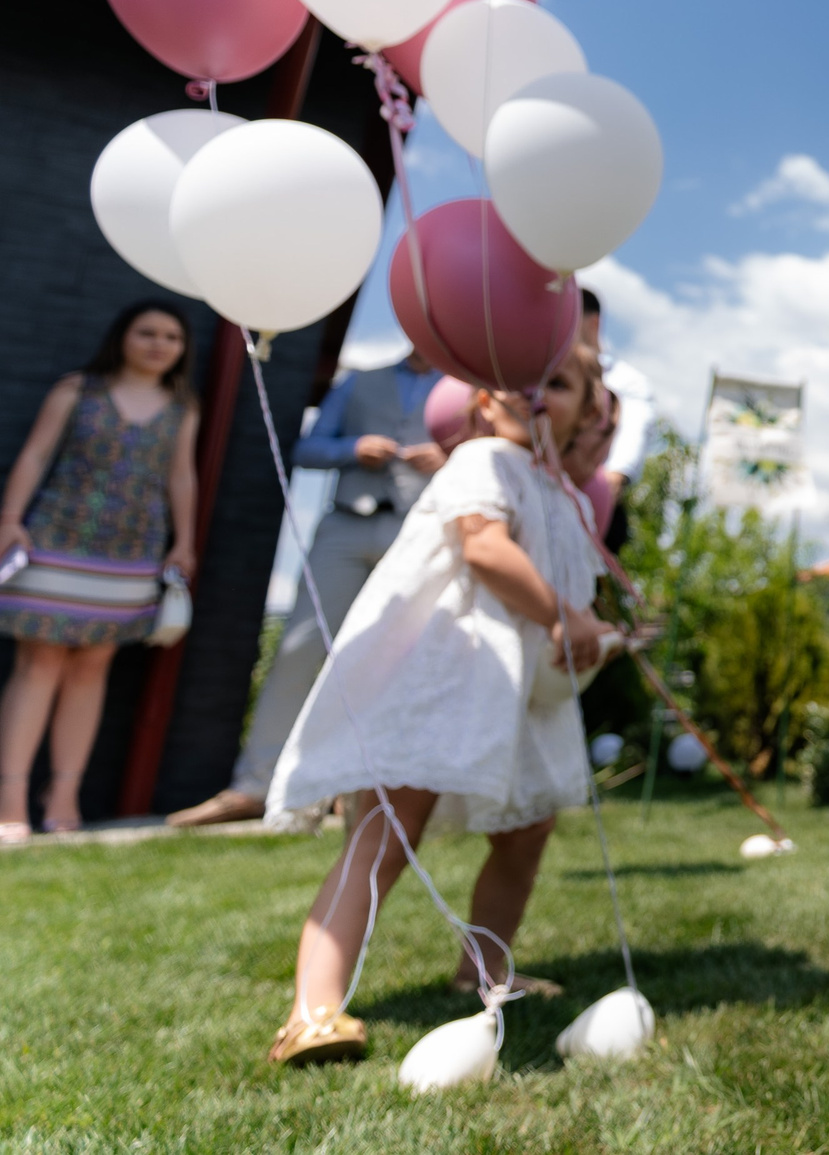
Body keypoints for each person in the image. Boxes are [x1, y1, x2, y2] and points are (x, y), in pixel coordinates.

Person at [263, 349, 611, 1067]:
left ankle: (485, 971)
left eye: (557, 383)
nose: (533, 391)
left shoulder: (565, 496)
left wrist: (586, 630)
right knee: (389, 829)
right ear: (482, 402)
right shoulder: (482, 460)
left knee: (528, 830)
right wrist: (565, 616)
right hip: (445, 675)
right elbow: (484, 548)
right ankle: (311, 1010)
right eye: (517, 376)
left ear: (584, 411)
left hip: (511, 692)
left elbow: (570, 590)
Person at [168, 350, 445, 829]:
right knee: (299, 646)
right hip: (346, 525)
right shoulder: (359, 381)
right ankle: (255, 785)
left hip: (421, 530)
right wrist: (352, 449)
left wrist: (448, 458)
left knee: (395, 659)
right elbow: (308, 449)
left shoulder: (468, 389)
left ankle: (356, 790)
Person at [0, 303, 200, 841]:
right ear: (123, 337)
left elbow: (181, 477)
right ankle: (10, 798)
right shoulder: (76, 391)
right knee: (38, 662)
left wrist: (184, 541)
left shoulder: (183, 407)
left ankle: (63, 795)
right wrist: (10, 519)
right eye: (147, 332)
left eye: (172, 337)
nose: (159, 344)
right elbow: (36, 455)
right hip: (55, 540)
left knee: (93, 667)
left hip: (132, 551)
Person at [577, 289, 653, 551]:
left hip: (597, 501)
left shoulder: (625, 381)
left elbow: (635, 430)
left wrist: (615, 477)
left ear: (592, 323)